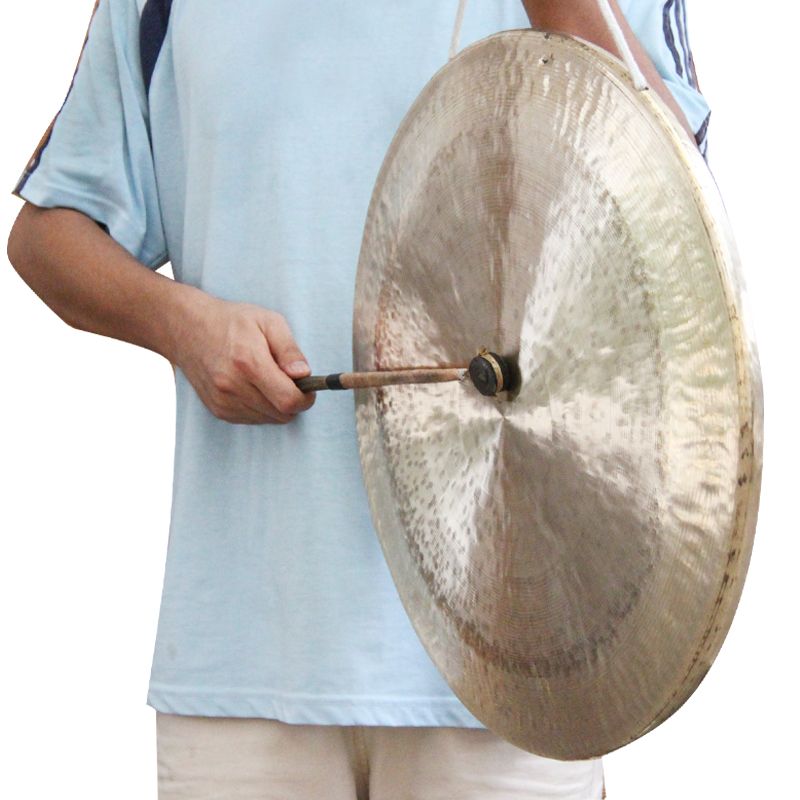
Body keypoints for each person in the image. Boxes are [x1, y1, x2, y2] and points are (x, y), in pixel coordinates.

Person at [7, 1, 709, 797]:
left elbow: (689, 230)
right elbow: (49, 234)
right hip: (246, 655)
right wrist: (182, 325)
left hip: (522, 658)